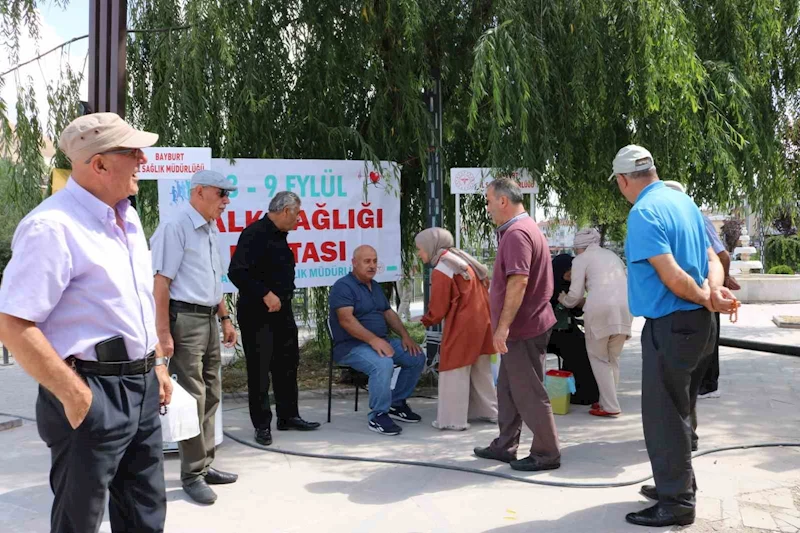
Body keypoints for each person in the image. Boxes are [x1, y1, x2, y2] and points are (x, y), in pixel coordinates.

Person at [0, 112, 173, 533]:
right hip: (91, 389)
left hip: (141, 386)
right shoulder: (51, 227)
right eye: (133, 152)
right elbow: (13, 324)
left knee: (145, 512)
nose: (142, 161)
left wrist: (156, 364)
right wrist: (76, 396)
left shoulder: (127, 217)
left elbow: (132, 301)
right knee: (80, 519)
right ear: (99, 164)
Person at [610, 145, 736, 527]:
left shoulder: (644, 213)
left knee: (664, 416)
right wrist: (713, 295)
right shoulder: (684, 202)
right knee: (681, 410)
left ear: (623, 180)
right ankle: (677, 483)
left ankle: (677, 502)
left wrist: (705, 298)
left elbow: (673, 277)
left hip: (672, 324)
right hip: (699, 325)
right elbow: (714, 258)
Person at [150, 170, 239, 504]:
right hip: (184, 319)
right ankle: (191, 474)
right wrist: (163, 334)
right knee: (193, 396)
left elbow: (213, 279)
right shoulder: (175, 227)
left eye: (228, 195)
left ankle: (205, 464)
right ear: (199, 192)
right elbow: (161, 284)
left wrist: (225, 317)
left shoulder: (211, 229)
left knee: (212, 392)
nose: (226, 201)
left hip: (208, 318)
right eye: (221, 194)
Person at [473, 177, 561, 472]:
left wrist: (502, 327)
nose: (487, 208)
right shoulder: (523, 229)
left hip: (523, 328)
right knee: (508, 390)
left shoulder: (517, 234)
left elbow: (519, 281)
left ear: (503, 201)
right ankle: (505, 445)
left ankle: (547, 452)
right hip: (524, 325)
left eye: (488, 201)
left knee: (528, 391)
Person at [228, 191, 320, 447]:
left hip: (283, 310)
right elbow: (237, 272)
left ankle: (288, 415)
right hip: (258, 312)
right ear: (285, 210)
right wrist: (265, 294)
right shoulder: (254, 233)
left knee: (288, 363)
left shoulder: (281, 237)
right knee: (259, 370)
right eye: (298, 213)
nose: (299, 219)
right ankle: (262, 424)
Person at [328, 245, 426, 435]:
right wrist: (374, 340)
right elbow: (346, 320)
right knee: (382, 364)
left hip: (380, 341)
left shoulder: (375, 286)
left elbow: (388, 313)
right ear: (354, 263)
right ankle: (378, 415)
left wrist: (406, 337)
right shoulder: (343, 286)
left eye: (374, 261)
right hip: (351, 347)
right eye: (367, 261)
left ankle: (396, 403)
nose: (372, 265)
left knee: (416, 356)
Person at [415, 227, 498, 431]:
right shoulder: (462, 260)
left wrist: (426, 319)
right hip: (482, 320)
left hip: (463, 324)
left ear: (430, 246)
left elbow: (439, 306)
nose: (419, 253)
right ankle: (490, 412)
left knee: (454, 370)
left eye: (420, 249)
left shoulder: (443, 267)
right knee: (481, 369)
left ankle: (453, 419)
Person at [663, 181, 739, 399]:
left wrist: (719, 286)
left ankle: (708, 382)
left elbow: (721, 255)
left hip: (708, 289)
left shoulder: (696, 219)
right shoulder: (681, 220)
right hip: (701, 290)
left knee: (709, 338)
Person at [558, 228, 632, 416]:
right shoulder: (612, 256)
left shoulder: (581, 260)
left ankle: (610, 406)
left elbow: (575, 294)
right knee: (613, 358)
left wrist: (563, 300)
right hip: (625, 309)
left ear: (579, 247)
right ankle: (608, 401)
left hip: (600, 311)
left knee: (599, 358)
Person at [548, 253, 600, 406]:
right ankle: (579, 393)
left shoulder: (571, 286)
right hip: (551, 333)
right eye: (568, 271)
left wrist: (575, 302)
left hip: (567, 329)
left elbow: (577, 311)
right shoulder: (548, 287)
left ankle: (582, 392)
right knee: (576, 348)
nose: (571, 275)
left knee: (587, 346)